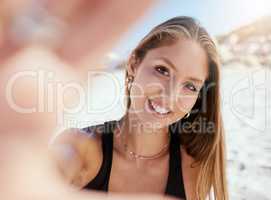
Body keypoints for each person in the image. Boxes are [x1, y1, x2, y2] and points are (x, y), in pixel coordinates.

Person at [50, 16, 229, 200]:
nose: (170, 95)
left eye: (190, 86)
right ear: (134, 64)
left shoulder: (193, 169)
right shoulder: (79, 147)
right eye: (162, 70)